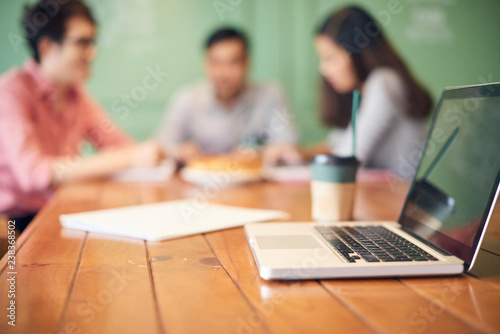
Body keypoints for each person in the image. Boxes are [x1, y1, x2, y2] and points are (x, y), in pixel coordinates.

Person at [0, 0, 164, 233]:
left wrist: (156, 153)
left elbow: (119, 144)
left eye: (92, 42)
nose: (92, 52)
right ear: (47, 47)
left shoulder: (75, 94)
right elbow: (33, 173)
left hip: (57, 209)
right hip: (13, 223)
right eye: (82, 42)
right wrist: (130, 158)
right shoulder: (11, 92)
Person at [313, 6, 433, 177]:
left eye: (330, 58)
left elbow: (349, 156)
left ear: (357, 53)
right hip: (386, 196)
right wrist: (298, 154)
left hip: (402, 196)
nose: (323, 69)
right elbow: (336, 144)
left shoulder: (384, 82)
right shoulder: (360, 92)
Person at [156, 27, 301, 166]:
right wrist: (179, 151)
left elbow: (288, 144)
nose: (223, 73)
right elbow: (161, 144)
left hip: (255, 185)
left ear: (247, 63)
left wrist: (263, 152)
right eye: (215, 62)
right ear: (205, 63)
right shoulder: (187, 98)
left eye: (233, 62)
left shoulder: (270, 95)